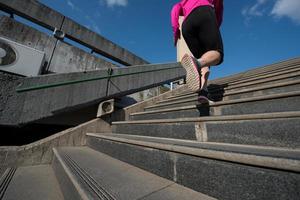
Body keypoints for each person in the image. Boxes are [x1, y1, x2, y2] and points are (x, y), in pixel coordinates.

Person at [171, 0, 224, 102]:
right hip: (204, 12)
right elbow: (219, 8)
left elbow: (175, 9)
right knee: (217, 54)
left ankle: (203, 91)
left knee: (205, 59)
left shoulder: (184, 1)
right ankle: (197, 63)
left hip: (187, 26)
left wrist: (176, 31)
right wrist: (215, 25)